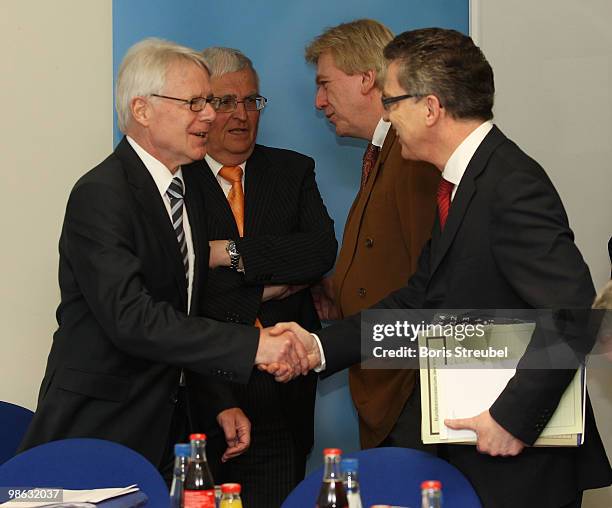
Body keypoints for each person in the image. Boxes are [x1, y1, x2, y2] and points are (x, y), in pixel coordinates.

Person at [268, 28, 612, 507]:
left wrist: (513, 417)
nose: (386, 116)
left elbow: (573, 312)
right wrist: (319, 346)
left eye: (391, 102)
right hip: (476, 453)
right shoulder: (461, 184)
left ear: (430, 108)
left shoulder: (509, 184)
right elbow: (418, 302)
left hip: (520, 461)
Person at [18, 38, 309, 480]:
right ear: (142, 110)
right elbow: (132, 318)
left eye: (208, 102)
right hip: (101, 427)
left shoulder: (183, 190)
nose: (210, 115)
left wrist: (218, 400)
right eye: (194, 103)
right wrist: (255, 346)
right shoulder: (102, 194)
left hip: (167, 428)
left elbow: (184, 312)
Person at [183, 47, 337, 507]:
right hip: (199, 398)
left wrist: (225, 256)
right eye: (226, 101)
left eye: (252, 101)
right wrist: (264, 287)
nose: (242, 115)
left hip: (279, 401)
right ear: (204, 108)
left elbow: (318, 252)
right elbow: (179, 290)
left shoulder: (291, 171)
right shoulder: (176, 181)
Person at [304, 19, 439, 451]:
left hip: (410, 389)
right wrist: (341, 291)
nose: (318, 101)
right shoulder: (384, 153)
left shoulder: (412, 155)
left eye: (326, 84)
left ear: (367, 79)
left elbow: (431, 281)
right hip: (385, 379)